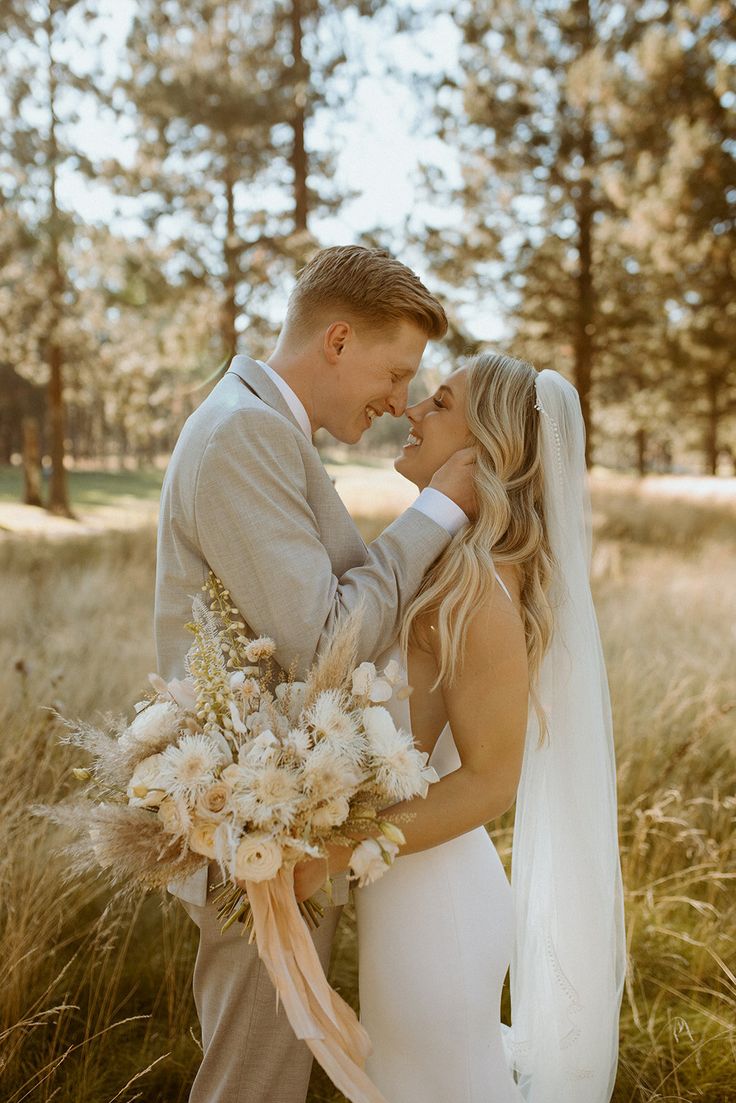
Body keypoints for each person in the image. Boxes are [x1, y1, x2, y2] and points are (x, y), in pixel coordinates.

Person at [153, 245, 477, 1103]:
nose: (400, 400)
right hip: (260, 825)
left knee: (270, 1070)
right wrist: (439, 509)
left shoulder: (259, 423)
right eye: (397, 370)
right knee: (251, 1081)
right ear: (338, 339)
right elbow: (323, 636)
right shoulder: (244, 432)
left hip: (286, 811)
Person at [296, 352, 626, 1103]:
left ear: (486, 452)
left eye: (438, 403)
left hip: (435, 906)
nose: (412, 410)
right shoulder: (447, 566)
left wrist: (340, 844)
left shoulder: (477, 589)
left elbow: (489, 780)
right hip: (409, 888)